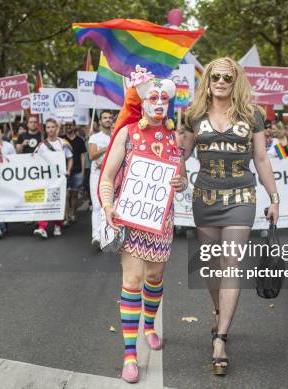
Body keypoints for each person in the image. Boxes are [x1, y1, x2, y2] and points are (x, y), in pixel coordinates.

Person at [180, 57, 279, 376]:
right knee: (210, 265)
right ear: (207, 80)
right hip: (205, 197)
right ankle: (218, 309)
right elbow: (179, 154)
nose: (221, 81)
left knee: (230, 263)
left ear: (236, 81)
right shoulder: (191, 114)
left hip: (241, 196)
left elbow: (262, 159)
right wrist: (175, 168)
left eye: (228, 77)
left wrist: (274, 197)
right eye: (216, 76)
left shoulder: (253, 115)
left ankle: (220, 338)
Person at [99, 67, 187, 383]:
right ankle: (130, 354)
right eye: (153, 97)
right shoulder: (126, 133)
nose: (159, 102)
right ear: (142, 100)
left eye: (164, 97)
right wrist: (108, 205)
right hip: (132, 219)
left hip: (162, 221)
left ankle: (149, 325)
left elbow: (182, 178)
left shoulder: (176, 137)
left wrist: (181, 182)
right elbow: (107, 177)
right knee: (133, 280)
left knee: (154, 277)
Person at [33, 118, 73, 239]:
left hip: (59, 179)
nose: (50, 129)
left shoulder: (63, 143)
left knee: (57, 201)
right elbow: (34, 159)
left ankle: (57, 225)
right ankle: (42, 227)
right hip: (45, 180)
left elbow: (70, 158)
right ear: (46, 129)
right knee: (43, 201)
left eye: (52, 127)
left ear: (56, 128)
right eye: (48, 127)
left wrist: (68, 170)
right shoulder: (41, 145)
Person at [88, 111, 113, 247]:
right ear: (100, 121)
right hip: (97, 176)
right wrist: (106, 148)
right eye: (105, 118)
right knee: (97, 205)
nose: (107, 120)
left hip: (113, 176)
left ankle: (108, 235)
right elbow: (92, 156)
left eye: (110, 118)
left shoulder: (117, 136)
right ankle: (96, 236)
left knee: (110, 205)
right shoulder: (95, 137)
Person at [61, 122, 87, 224]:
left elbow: (82, 156)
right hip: (65, 171)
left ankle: (72, 213)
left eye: (70, 125)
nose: (68, 127)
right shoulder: (61, 139)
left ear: (74, 127)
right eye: (66, 126)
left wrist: (83, 170)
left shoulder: (80, 140)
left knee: (74, 194)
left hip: (77, 170)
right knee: (66, 194)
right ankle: (66, 216)